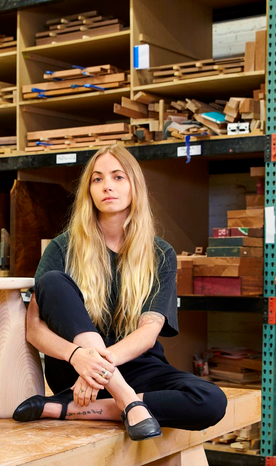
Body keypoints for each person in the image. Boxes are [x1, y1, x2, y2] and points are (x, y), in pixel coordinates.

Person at [13, 143, 228, 440]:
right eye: (97, 179)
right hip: (73, 368)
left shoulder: (160, 254)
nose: (107, 186)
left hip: (135, 364)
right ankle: (128, 402)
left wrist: (99, 367)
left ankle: (68, 408)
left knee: (211, 400)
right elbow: (34, 329)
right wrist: (79, 356)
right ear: (89, 191)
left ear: (134, 186)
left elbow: (148, 333)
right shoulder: (63, 247)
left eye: (117, 177)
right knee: (52, 280)